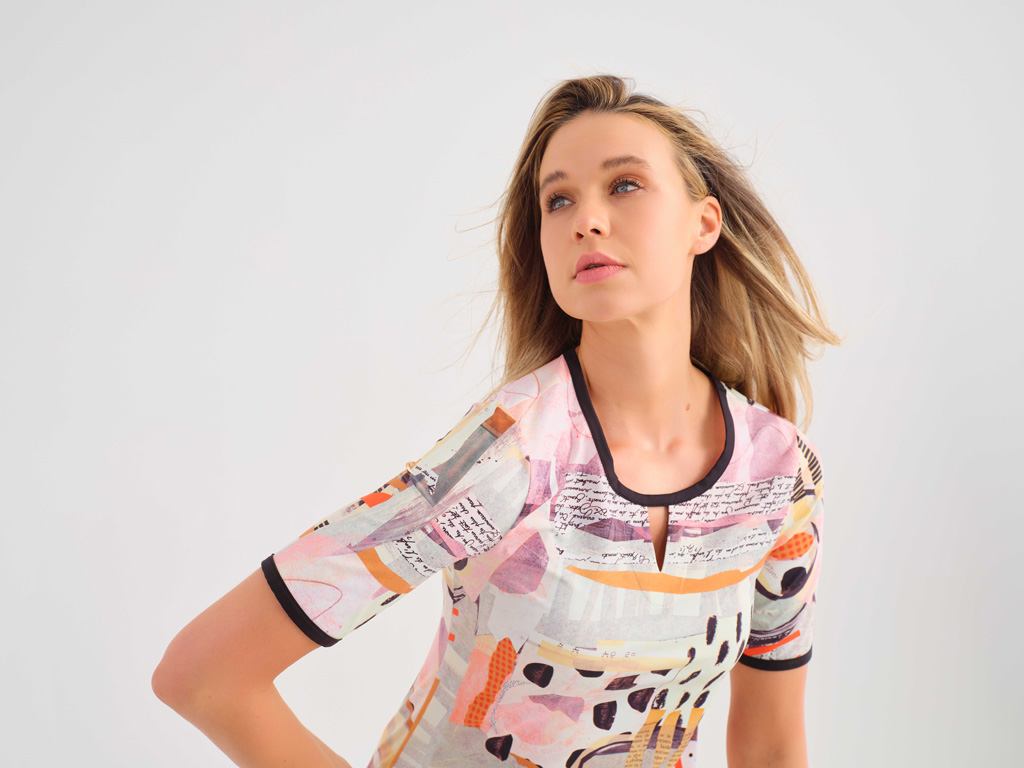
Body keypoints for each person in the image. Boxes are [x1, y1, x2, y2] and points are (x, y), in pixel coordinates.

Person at [153, 74, 842, 768]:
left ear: (704, 223)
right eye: (558, 199)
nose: (586, 219)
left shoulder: (779, 471)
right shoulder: (510, 453)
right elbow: (205, 676)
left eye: (625, 184)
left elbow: (770, 745)